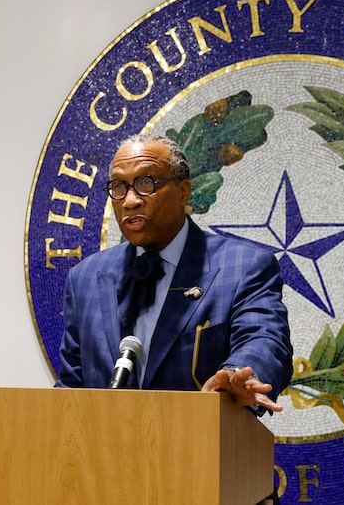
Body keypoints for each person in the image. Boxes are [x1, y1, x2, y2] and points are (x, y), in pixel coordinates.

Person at [56, 131, 293, 414]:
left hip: (199, 450)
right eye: (119, 187)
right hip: (106, 453)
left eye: (146, 183)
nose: (130, 201)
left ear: (183, 191)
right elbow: (71, 390)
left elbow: (265, 339)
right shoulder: (85, 279)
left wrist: (238, 374)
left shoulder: (244, 267)